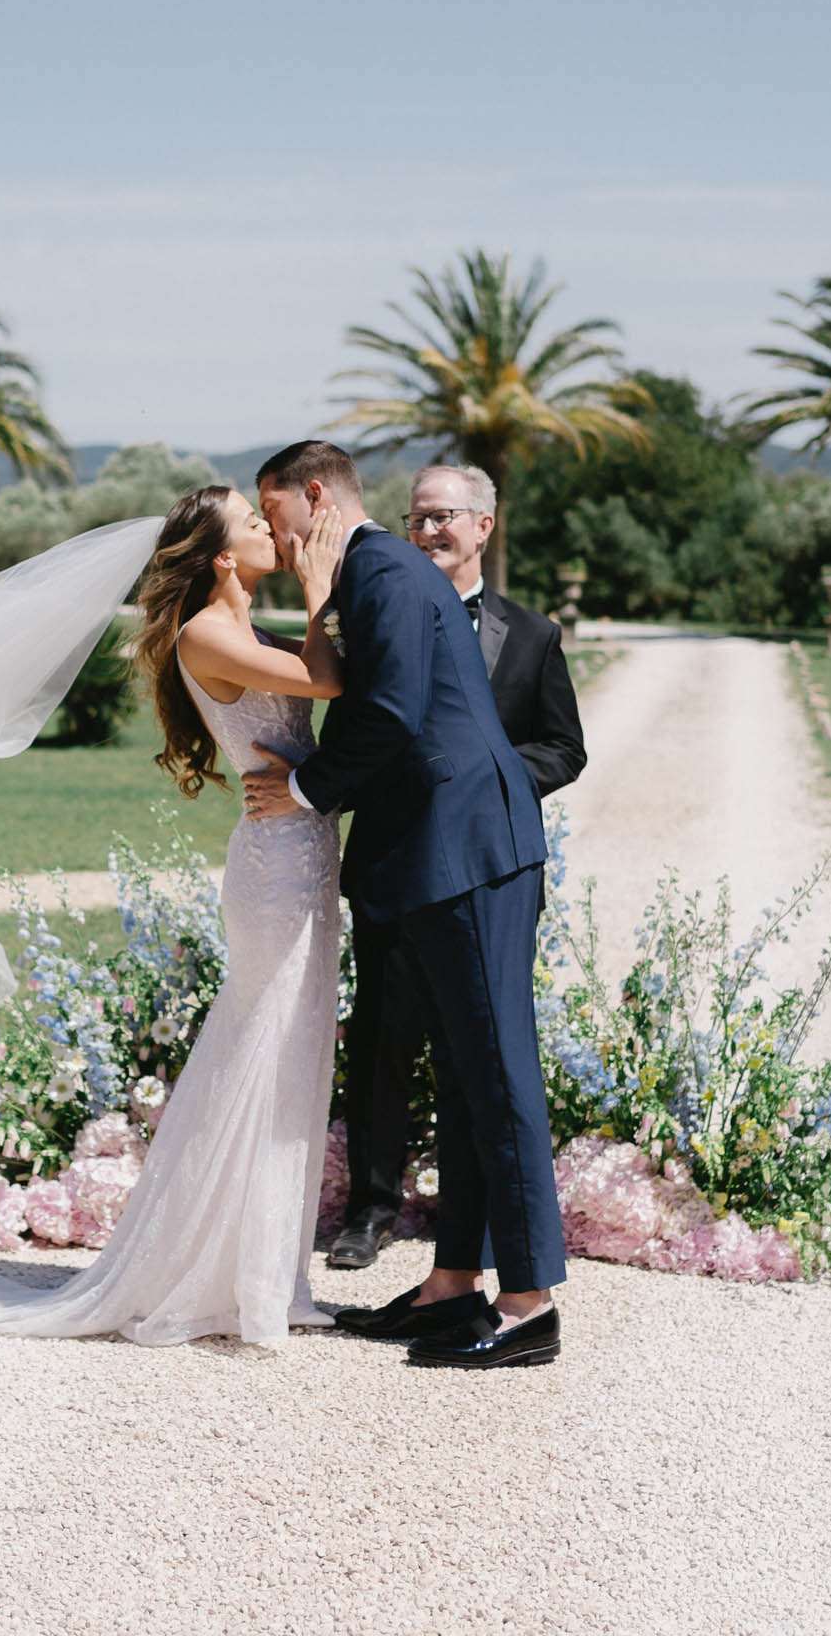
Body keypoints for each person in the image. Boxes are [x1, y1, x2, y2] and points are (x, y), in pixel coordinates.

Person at [0, 487, 352, 1345]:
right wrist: (323, 576)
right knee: (261, 1049)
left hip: (299, 855)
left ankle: (256, 1270)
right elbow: (329, 677)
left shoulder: (243, 628)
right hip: (275, 870)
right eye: (254, 525)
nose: (271, 531)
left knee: (290, 1053)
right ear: (222, 557)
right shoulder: (208, 635)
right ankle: (214, 1272)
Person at [246, 441, 567, 1371]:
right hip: (447, 854)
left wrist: (304, 791)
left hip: (464, 854)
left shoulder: (382, 572)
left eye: (277, 517)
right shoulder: (378, 571)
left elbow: (386, 712)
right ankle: (451, 1286)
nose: (277, 535)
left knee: (498, 1076)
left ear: (315, 496)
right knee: (469, 1081)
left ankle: (528, 1304)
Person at [327, 462, 586, 1272]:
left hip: (476, 860)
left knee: (478, 1049)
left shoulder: (533, 634)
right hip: (391, 856)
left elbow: (564, 748)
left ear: (484, 525)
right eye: (417, 519)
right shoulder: (373, 614)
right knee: (380, 1035)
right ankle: (370, 1208)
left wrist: (484, 776)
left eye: (445, 517)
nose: (430, 531)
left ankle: (469, 1245)